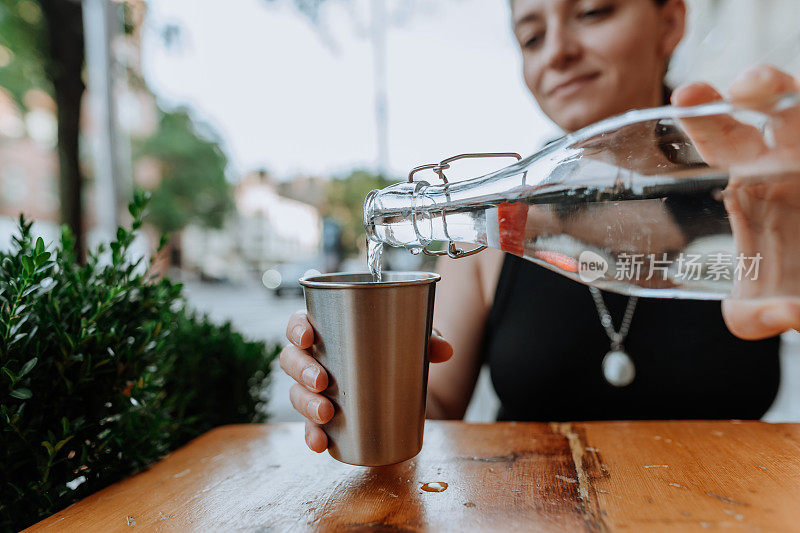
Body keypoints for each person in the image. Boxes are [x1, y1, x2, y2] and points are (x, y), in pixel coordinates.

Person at [281, 0, 800, 452]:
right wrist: (350, 388)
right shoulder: (492, 226)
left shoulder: (762, 201)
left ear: (669, 22)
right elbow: (434, 409)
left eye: (594, 12)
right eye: (531, 36)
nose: (556, 52)